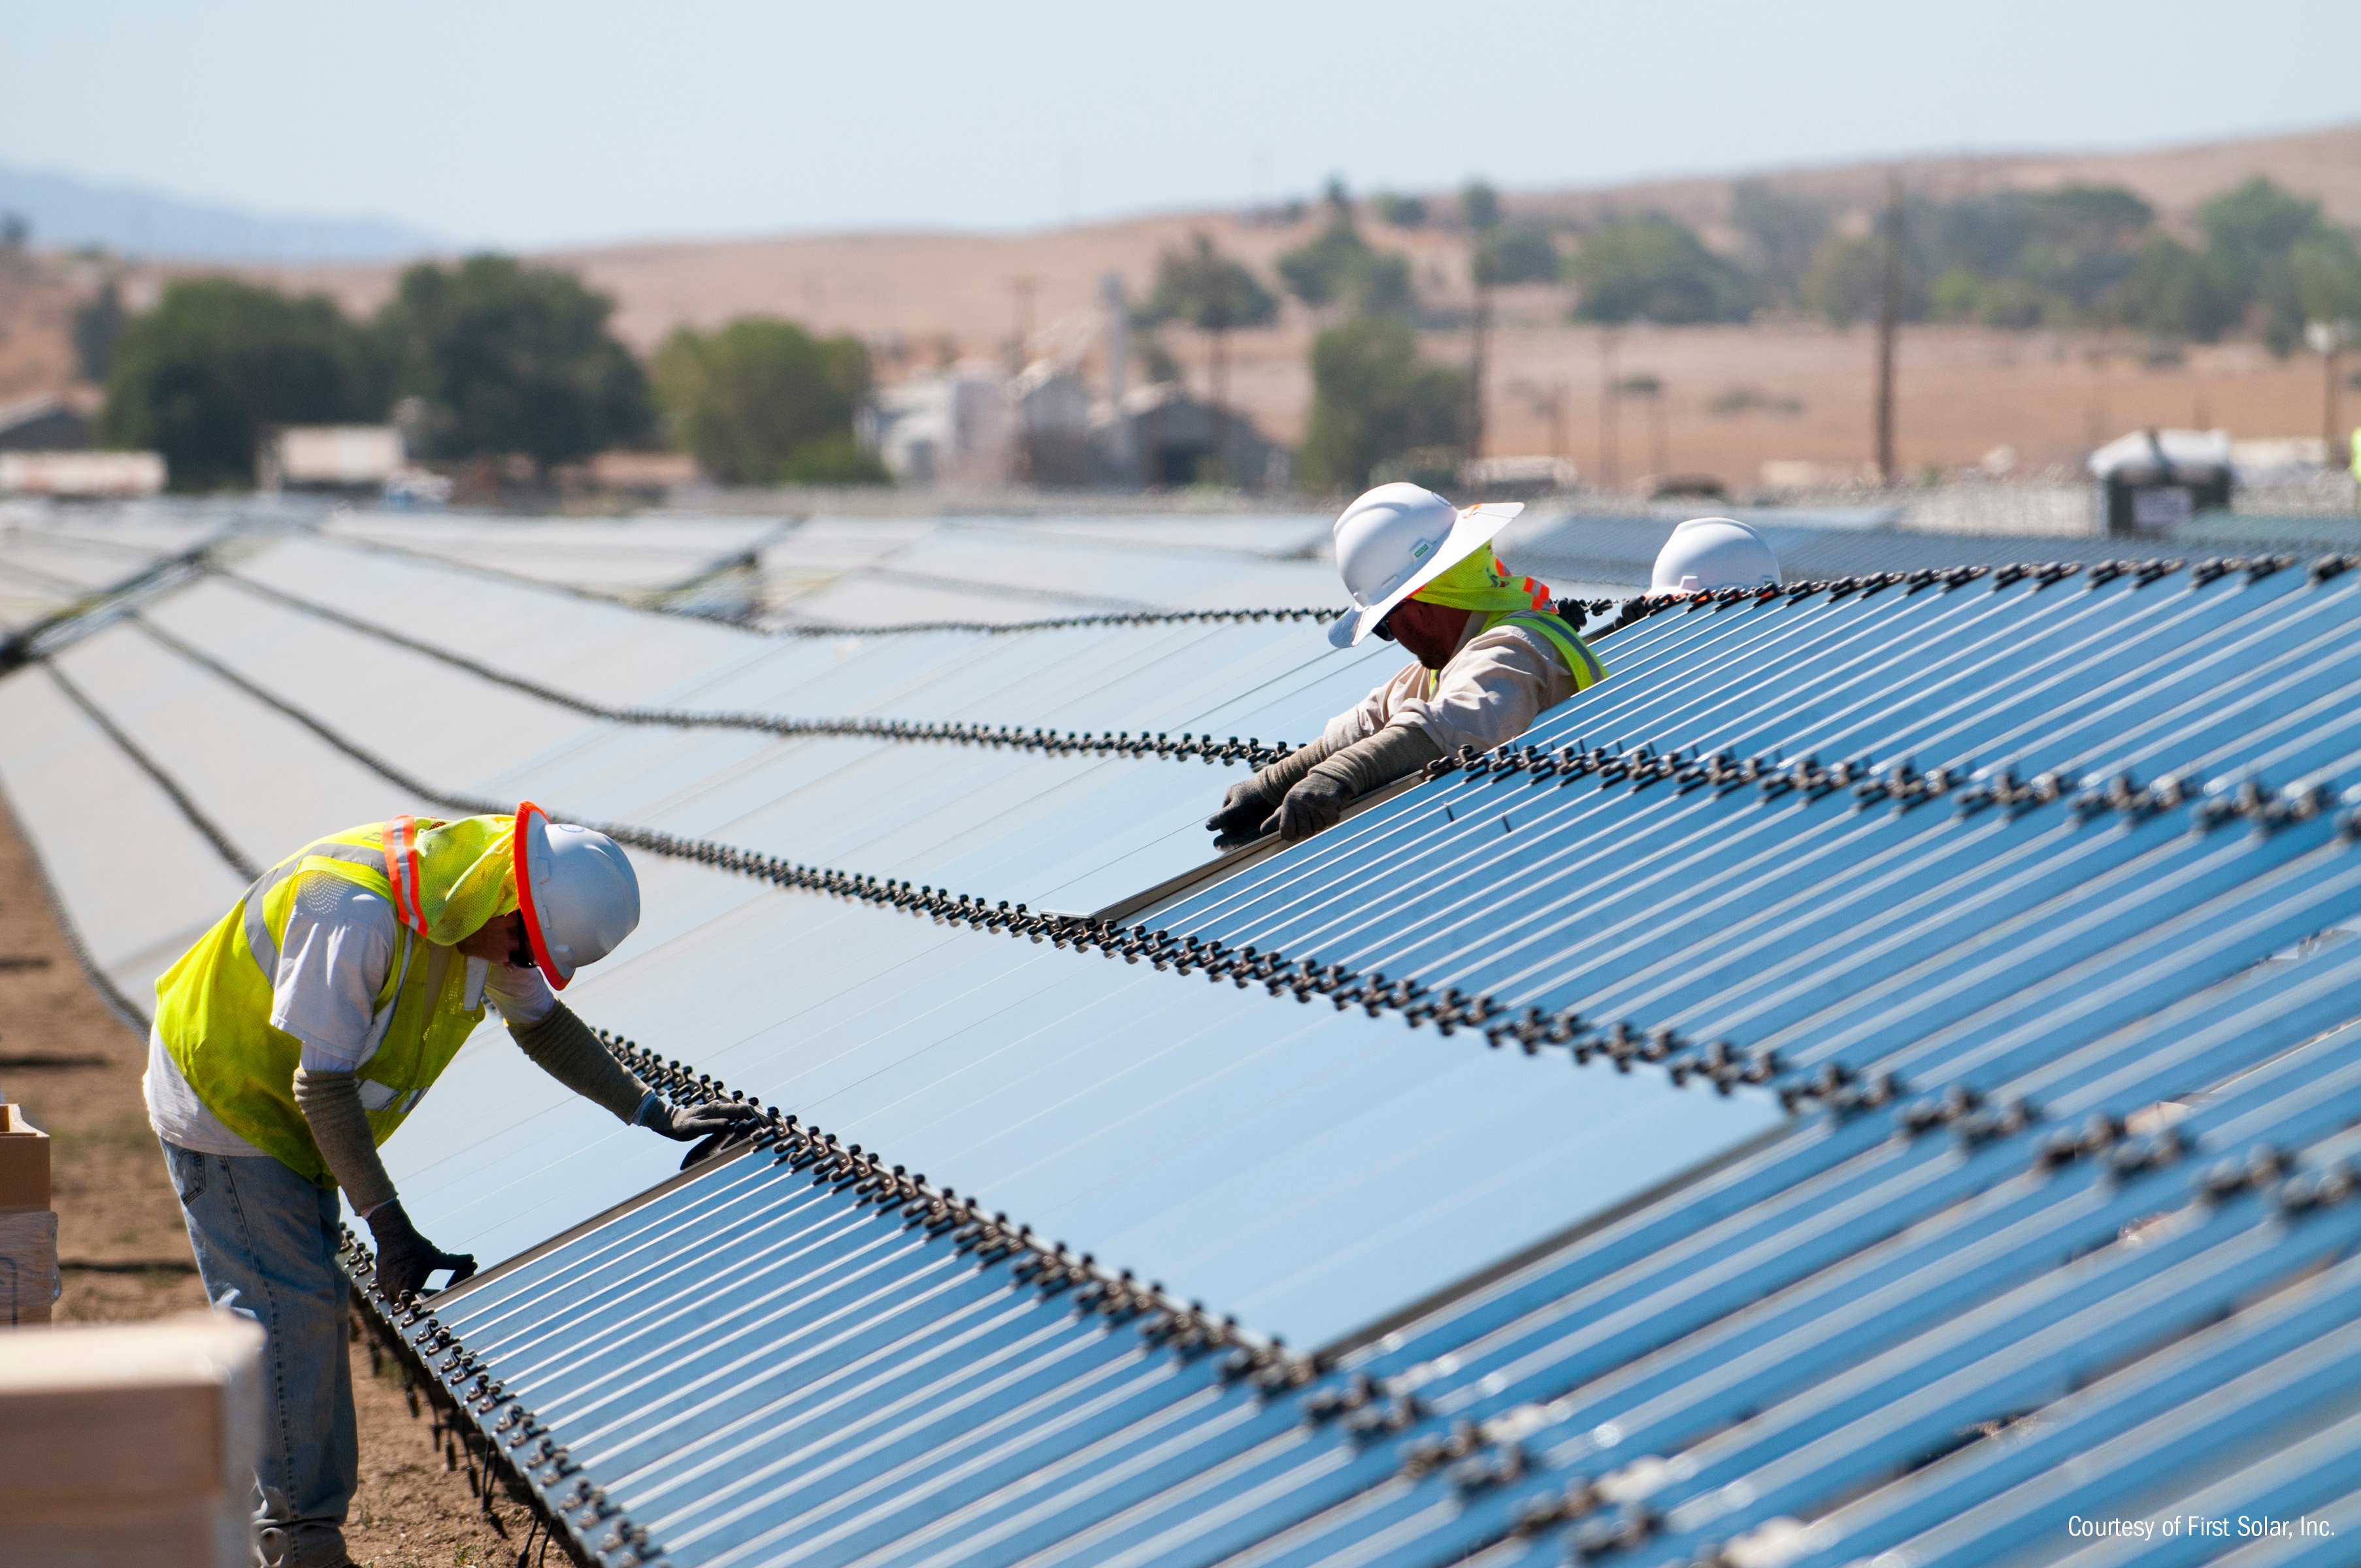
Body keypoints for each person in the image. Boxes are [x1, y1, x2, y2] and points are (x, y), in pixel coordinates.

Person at [144, 803, 760, 1568]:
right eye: (522, 943)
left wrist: (654, 1112)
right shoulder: (354, 911)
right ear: (506, 900)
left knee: (305, 1307)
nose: (520, 962)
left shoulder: (481, 905)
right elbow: (323, 1088)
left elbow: (542, 1026)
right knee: (287, 1311)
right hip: (225, 1095)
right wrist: (388, 1224)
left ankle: (293, 1527)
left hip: (289, 1110)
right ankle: (298, 1542)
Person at [1207, 483, 1606, 847]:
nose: (1394, 640)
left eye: (1385, 626)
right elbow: (1375, 718)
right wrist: (1270, 785)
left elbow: (1445, 725)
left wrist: (1341, 775)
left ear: (1417, 613)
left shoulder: (1513, 649)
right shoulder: (1462, 654)